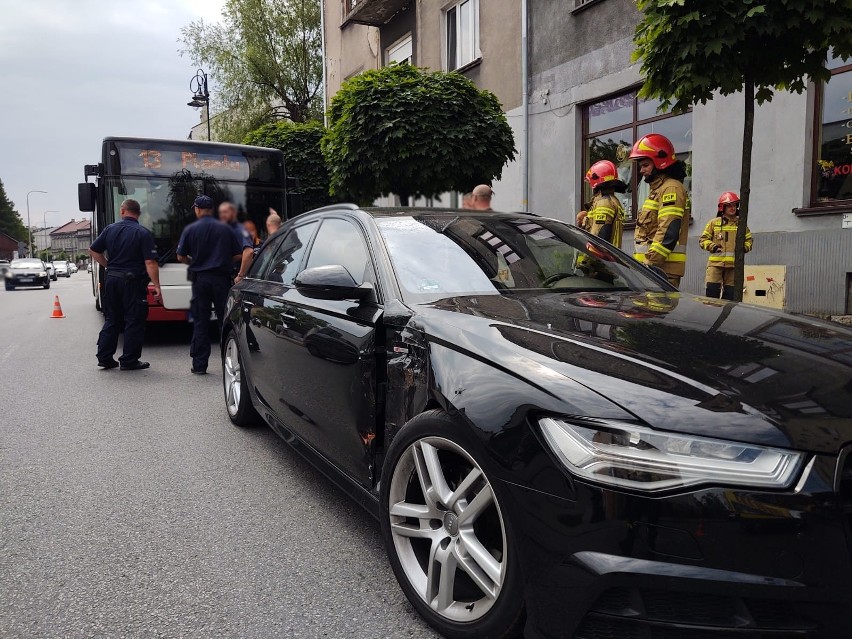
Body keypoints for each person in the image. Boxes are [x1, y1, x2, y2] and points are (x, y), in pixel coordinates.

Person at [89, 198, 161, 371]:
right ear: (139, 214)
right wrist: (157, 285)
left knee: (112, 318)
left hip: (112, 280)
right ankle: (129, 360)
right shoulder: (143, 233)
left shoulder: (110, 229)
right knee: (134, 320)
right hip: (133, 283)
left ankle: (105, 357)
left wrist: (108, 266)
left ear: (123, 211)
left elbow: (93, 250)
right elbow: (150, 262)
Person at [177, 195, 243, 374]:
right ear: (212, 210)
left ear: (197, 209)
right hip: (221, 279)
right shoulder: (226, 229)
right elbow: (239, 254)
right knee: (225, 321)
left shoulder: (190, 229)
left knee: (201, 321)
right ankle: (228, 362)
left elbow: (181, 256)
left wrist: (194, 263)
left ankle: (199, 365)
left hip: (200, 280)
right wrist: (222, 260)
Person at [629, 133, 690, 288]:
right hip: (652, 270)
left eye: (645, 165)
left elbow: (668, 231)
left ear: (660, 162)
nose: (641, 170)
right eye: (640, 166)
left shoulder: (671, 188)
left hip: (661, 271)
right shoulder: (657, 190)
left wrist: (649, 263)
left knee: (660, 311)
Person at [699, 191, 753, 300]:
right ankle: (711, 316)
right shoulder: (713, 223)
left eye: (734, 205)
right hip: (715, 265)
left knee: (730, 297)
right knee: (711, 295)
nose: (732, 208)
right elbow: (703, 240)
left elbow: (749, 240)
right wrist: (712, 246)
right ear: (722, 207)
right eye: (729, 206)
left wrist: (744, 248)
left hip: (733, 266)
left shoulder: (741, 224)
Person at [580, 160, 626, 248]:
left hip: (597, 261)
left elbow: (599, 238)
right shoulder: (613, 201)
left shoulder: (604, 203)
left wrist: (587, 260)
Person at [217, 201, 254, 282]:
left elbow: (249, 252)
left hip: (234, 277)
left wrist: (240, 276)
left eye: (225, 212)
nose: (222, 215)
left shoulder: (241, 230)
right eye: (221, 212)